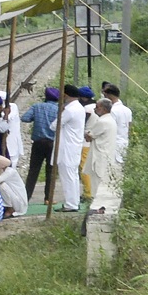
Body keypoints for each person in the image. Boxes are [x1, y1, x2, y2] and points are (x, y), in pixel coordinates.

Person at [21, 87, 60, 203]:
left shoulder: (36, 107)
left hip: (38, 143)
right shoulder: (59, 109)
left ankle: (26, 196)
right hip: (52, 143)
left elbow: (25, 118)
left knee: (33, 170)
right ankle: (48, 197)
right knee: (51, 170)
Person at [85, 98, 121, 213]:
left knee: (97, 182)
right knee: (103, 182)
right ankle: (101, 206)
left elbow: (90, 136)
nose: (95, 109)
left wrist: (87, 133)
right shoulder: (111, 120)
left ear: (104, 109)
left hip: (99, 155)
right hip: (107, 154)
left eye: (97, 107)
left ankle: (97, 207)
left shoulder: (102, 122)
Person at [55, 84, 86, 212]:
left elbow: (54, 125)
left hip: (67, 147)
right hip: (74, 146)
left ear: (66, 95)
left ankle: (70, 204)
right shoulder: (79, 108)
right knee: (73, 176)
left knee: (67, 176)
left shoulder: (69, 110)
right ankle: (74, 202)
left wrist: (61, 111)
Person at [102, 83, 131, 162]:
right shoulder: (127, 110)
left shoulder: (112, 111)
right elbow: (129, 127)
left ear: (109, 95)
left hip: (113, 143)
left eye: (105, 95)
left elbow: (109, 127)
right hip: (124, 142)